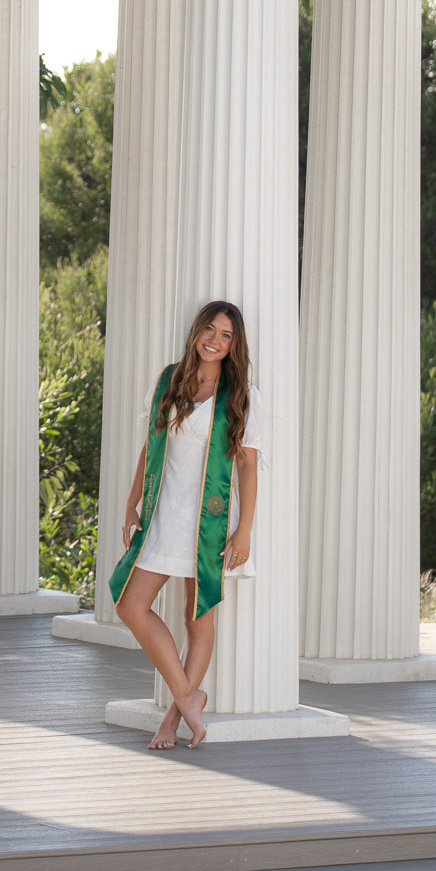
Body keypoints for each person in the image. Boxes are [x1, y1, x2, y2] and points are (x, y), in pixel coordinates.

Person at [109, 300, 262, 750]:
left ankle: (173, 720)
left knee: (197, 619)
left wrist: (245, 530)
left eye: (226, 335)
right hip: (163, 513)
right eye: (210, 330)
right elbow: (149, 446)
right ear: (197, 331)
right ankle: (188, 694)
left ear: (235, 345)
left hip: (208, 521)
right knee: (130, 604)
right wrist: (131, 502)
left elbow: (249, 467)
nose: (215, 340)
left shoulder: (239, 394)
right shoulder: (168, 380)